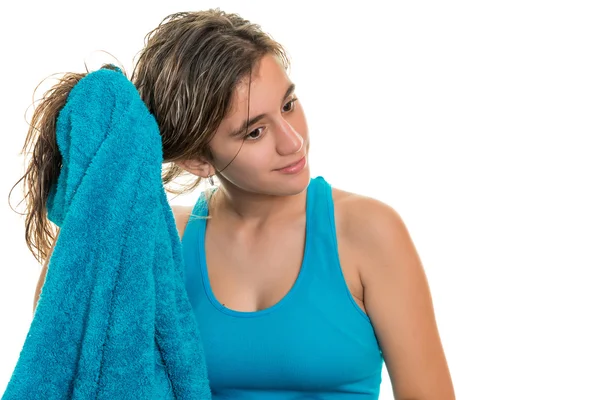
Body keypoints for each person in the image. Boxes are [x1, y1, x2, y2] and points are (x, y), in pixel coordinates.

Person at [17, 9, 455, 400]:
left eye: (288, 104)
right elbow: (66, 340)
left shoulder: (367, 231)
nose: (293, 141)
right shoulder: (160, 249)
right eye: (254, 132)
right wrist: (106, 187)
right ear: (198, 159)